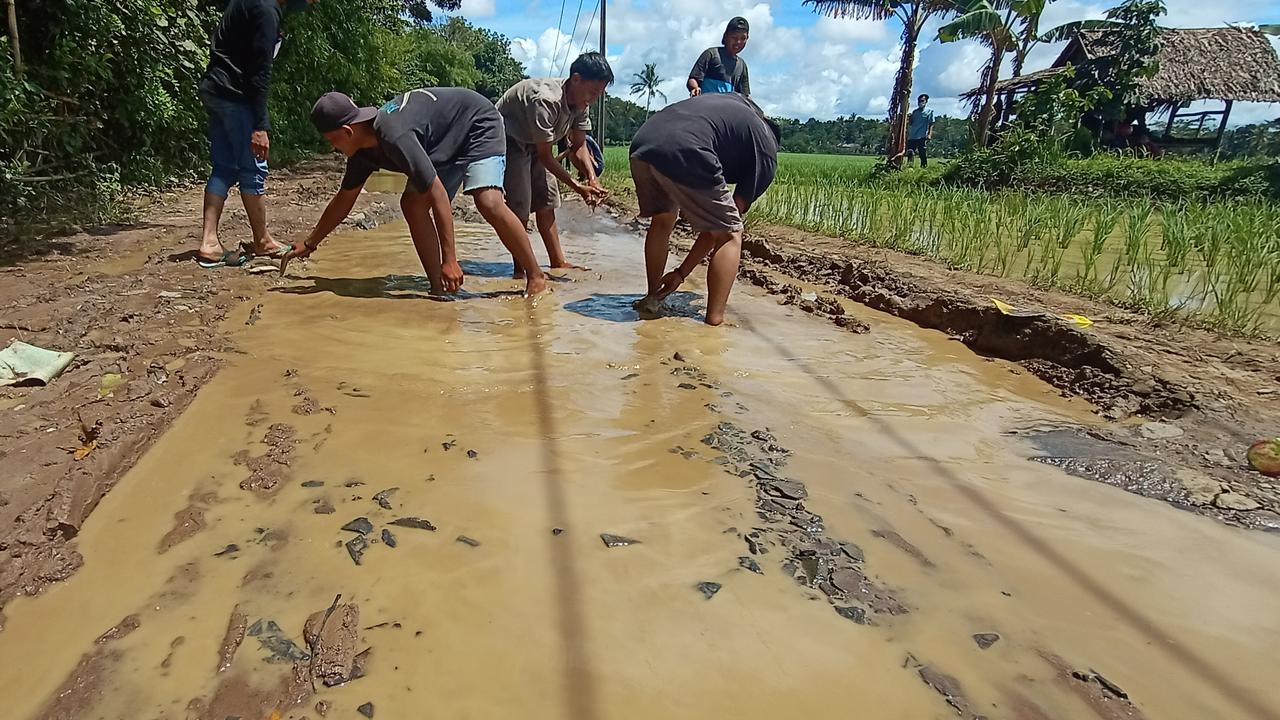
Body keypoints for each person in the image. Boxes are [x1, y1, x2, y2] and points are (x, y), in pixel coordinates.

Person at [280, 88, 549, 297]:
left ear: (347, 131)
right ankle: (438, 289)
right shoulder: (362, 154)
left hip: (477, 123)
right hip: (441, 144)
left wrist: (451, 259)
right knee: (411, 203)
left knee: (488, 201)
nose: (332, 149)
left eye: (331, 142)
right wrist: (310, 243)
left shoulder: (394, 135)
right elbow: (344, 200)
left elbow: (439, 194)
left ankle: (536, 276)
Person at [630, 93, 779, 327]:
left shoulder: (732, 106)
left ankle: (653, 297)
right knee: (730, 234)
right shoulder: (766, 150)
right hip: (687, 144)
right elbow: (720, 230)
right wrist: (682, 273)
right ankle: (714, 322)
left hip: (643, 142)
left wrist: (680, 273)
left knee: (663, 219)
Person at [196, 0, 315, 268]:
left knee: (224, 167)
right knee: (254, 168)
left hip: (215, 88)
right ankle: (262, 241)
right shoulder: (266, 10)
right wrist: (260, 126)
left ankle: (209, 243)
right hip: (235, 96)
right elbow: (260, 73)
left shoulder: (250, 3)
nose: (313, 2)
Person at [496, 52, 613, 273]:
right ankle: (523, 270)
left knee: (547, 200)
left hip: (538, 144)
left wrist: (592, 179)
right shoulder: (546, 99)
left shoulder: (581, 103)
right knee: (520, 206)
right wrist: (578, 187)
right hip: (511, 139)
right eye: (593, 92)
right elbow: (546, 157)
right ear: (576, 79)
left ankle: (558, 261)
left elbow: (578, 145)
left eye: (599, 94)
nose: (594, 99)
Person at [687, 17, 751, 97]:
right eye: (734, 37)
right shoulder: (711, 54)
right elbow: (693, 79)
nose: (738, 42)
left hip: (727, 108)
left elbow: (745, 96)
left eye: (743, 38)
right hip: (706, 105)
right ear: (725, 36)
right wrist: (695, 88)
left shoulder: (742, 66)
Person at [905, 94, 935, 168]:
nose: (920, 102)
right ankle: (910, 167)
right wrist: (909, 118)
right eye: (919, 101)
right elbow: (911, 123)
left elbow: (931, 123)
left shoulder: (929, 112)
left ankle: (923, 167)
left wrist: (929, 134)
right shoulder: (915, 112)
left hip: (921, 136)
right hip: (912, 136)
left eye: (922, 101)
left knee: (922, 153)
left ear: (926, 101)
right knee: (910, 152)